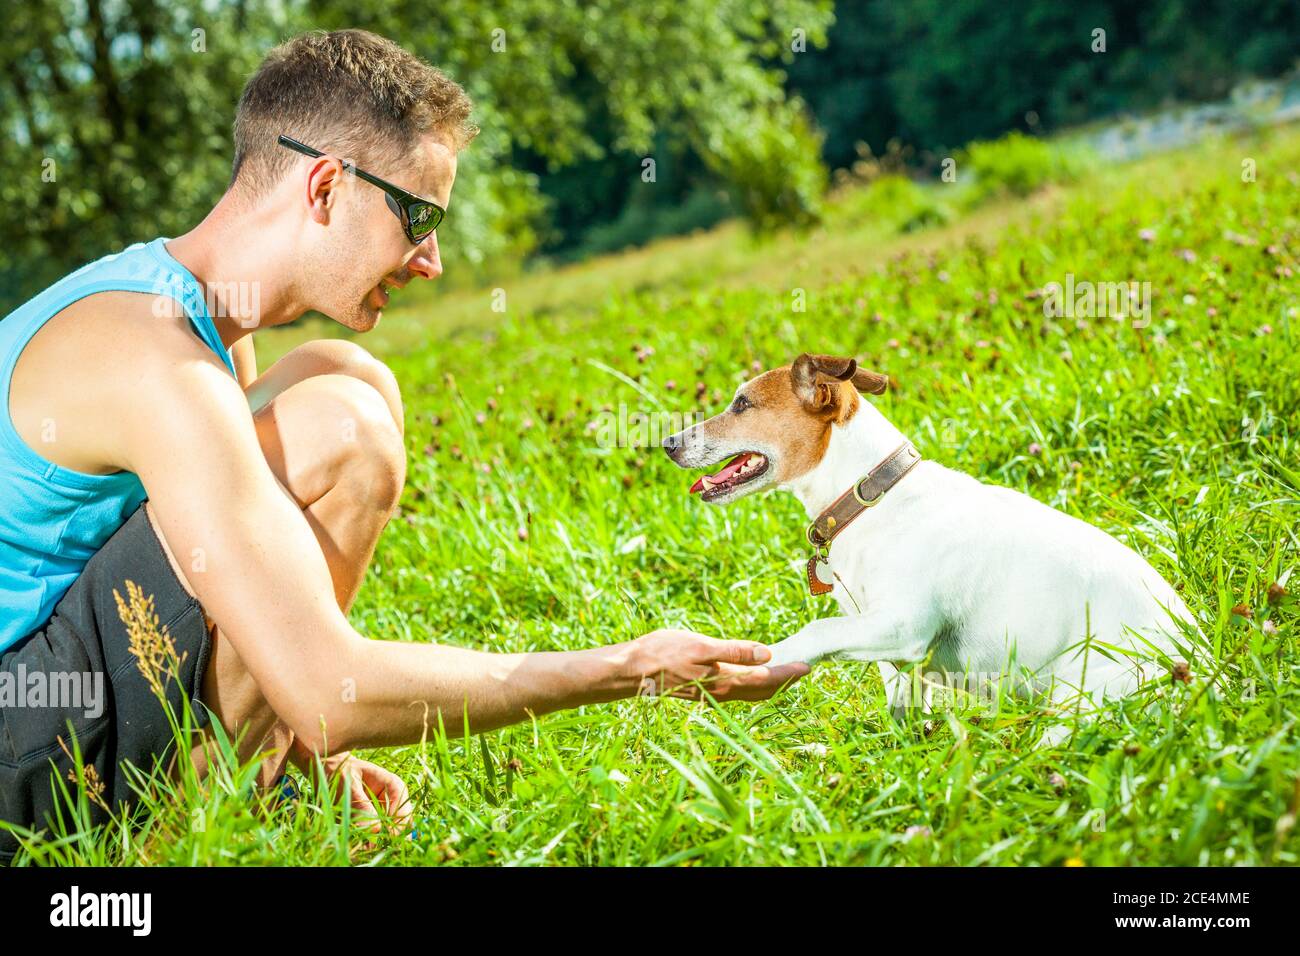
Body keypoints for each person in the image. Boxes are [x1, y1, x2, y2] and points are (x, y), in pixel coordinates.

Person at [0, 29, 807, 862]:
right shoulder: (158, 356)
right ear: (324, 186)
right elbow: (325, 689)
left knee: (344, 375)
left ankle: (259, 777)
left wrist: (313, 748)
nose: (432, 261)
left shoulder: (197, 319)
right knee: (339, 430)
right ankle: (190, 838)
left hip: (47, 702)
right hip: (14, 759)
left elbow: (239, 589)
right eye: (418, 217)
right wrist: (626, 670)